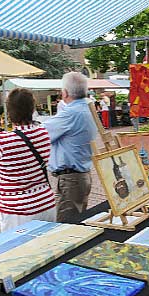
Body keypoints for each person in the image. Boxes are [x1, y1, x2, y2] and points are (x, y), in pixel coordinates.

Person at [0, 88, 56, 232]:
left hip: (17, 211)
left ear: (9, 111)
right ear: (32, 109)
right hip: (46, 203)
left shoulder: (1, 140)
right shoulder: (43, 133)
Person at [43, 72, 98, 222]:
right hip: (79, 175)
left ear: (65, 92)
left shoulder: (71, 113)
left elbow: (41, 133)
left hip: (72, 178)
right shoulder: (86, 109)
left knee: (65, 226)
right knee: (73, 221)